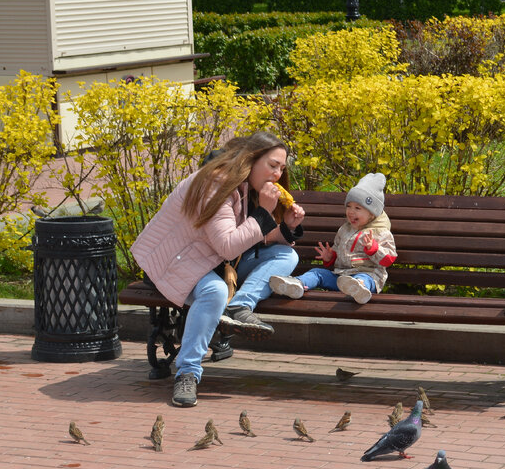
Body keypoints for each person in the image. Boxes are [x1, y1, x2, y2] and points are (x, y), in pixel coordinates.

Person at [131, 131, 305, 408]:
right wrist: (262, 214)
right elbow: (228, 246)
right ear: (251, 159)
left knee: (286, 255)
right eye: (273, 165)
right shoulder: (216, 185)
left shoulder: (245, 187)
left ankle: (238, 306)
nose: (278, 173)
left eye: (282, 167)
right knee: (214, 291)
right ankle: (188, 374)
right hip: (172, 261)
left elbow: (253, 240)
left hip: (210, 260)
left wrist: (287, 227)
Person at [269, 172, 396, 305]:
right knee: (317, 272)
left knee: (363, 278)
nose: (351, 212)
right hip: (341, 278)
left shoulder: (380, 232)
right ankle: (297, 284)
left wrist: (373, 249)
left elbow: (388, 259)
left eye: (357, 208)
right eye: (349, 206)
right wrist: (331, 257)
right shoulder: (345, 230)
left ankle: (359, 288)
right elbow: (339, 251)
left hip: (369, 275)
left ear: (371, 213)